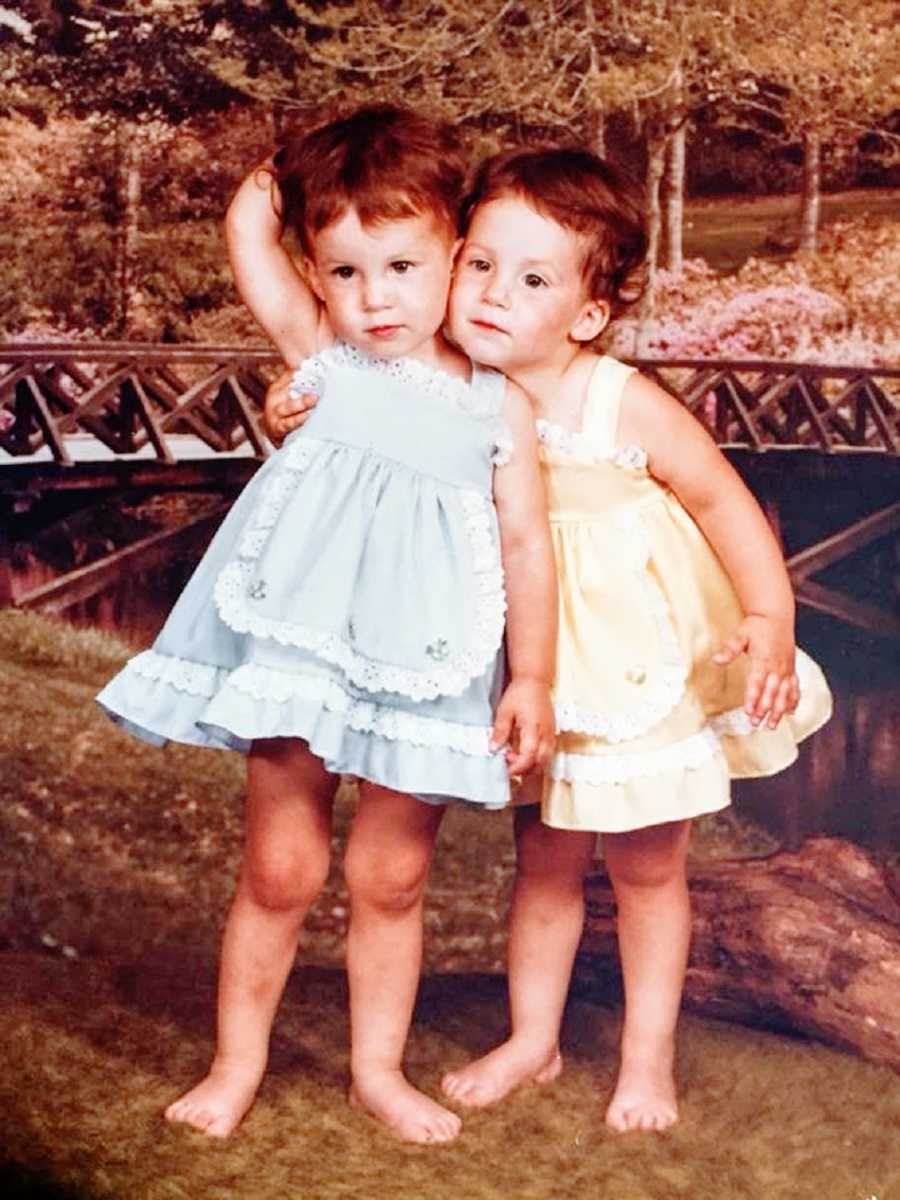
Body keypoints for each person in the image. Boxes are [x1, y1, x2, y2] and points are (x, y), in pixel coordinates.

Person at [265, 145, 832, 1133]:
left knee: (649, 866)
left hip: (637, 664)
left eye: (532, 281)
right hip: (534, 668)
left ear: (586, 315)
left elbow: (724, 503)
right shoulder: (437, 383)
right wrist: (293, 404)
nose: (491, 295)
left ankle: (646, 1063)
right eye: (478, 264)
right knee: (548, 858)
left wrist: (770, 618)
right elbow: (336, 414)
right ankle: (536, 1038)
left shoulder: (619, 399)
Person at [97, 106, 557, 1145]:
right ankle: (236, 1064)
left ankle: (378, 1072)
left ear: (457, 252)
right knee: (280, 870)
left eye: (400, 265)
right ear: (315, 272)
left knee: (390, 878)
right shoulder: (320, 357)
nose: (374, 297)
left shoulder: (498, 405)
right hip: (299, 651)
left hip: (427, 658)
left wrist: (531, 677)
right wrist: (294, 168)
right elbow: (250, 228)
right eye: (344, 271)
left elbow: (528, 544)